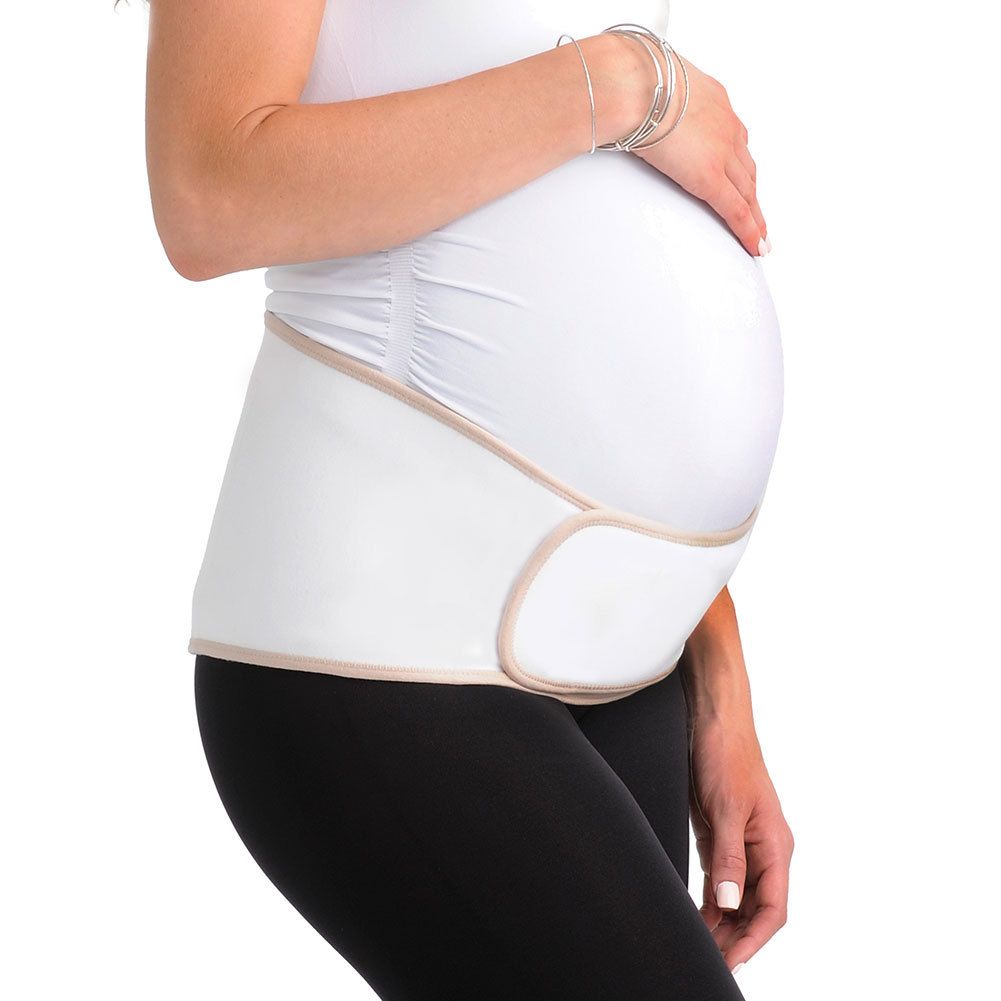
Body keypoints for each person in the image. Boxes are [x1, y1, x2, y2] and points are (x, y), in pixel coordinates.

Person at [143, 0, 795, 997]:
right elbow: (208, 193)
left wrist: (714, 669)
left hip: (624, 652)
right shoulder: (613, 78)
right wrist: (619, 80)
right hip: (387, 632)